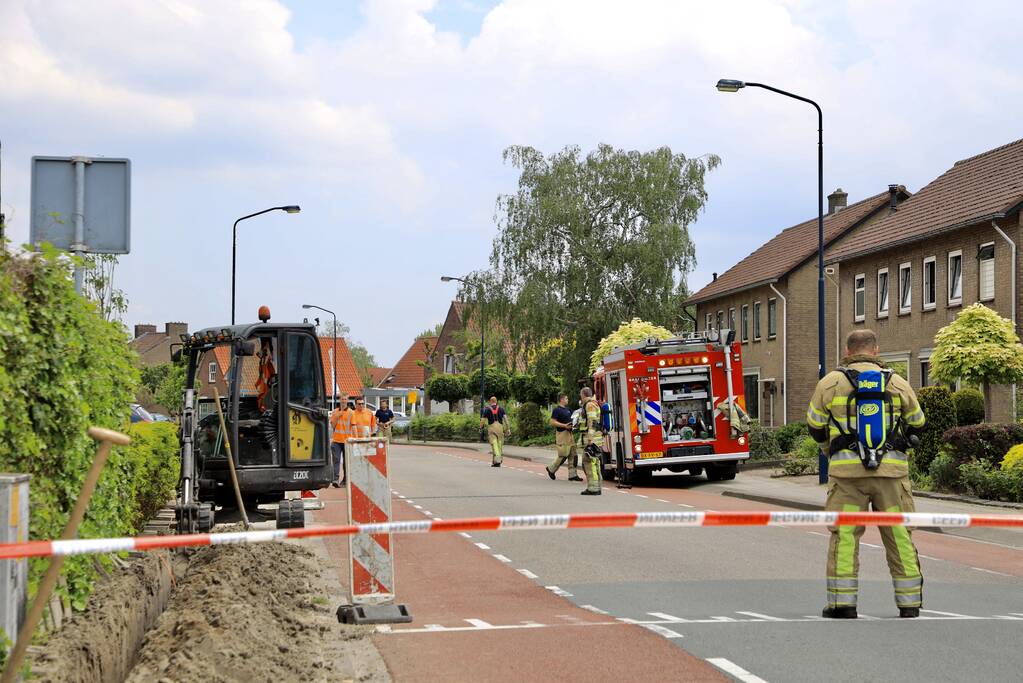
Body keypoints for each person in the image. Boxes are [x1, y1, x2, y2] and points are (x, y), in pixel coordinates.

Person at [806, 329, 926, 619]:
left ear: (847, 352)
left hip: (847, 478)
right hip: (892, 477)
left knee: (845, 537)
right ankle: (909, 603)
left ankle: (843, 604)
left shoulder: (830, 383)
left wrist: (830, 450)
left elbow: (814, 425)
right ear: (875, 351)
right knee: (899, 535)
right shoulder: (897, 382)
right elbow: (918, 423)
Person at [546, 393, 583, 482]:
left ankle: (572, 475)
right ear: (561, 399)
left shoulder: (568, 409)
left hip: (570, 434)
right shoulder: (556, 410)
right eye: (566, 398)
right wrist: (564, 426)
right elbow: (552, 422)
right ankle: (551, 469)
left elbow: (574, 418)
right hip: (562, 434)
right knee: (563, 454)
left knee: (573, 455)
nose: (568, 400)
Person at [577, 387, 603, 495]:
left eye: (581, 395)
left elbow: (592, 422)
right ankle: (597, 486)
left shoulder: (589, 405)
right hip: (595, 438)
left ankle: (593, 488)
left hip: (592, 439)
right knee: (594, 463)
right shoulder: (593, 403)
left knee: (588, 462)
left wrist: (590, 439)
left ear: (583, 395)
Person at [480, 396, 509, 467]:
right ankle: (496, 461)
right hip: (500, 428)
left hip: (492, 428)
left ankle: (497, 459)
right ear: (496, 401)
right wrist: (508, 429)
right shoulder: (501, 409)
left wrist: (480, 428)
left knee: (494, 444)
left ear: (490, 402)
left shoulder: (487, 409)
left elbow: (483, 420)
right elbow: (506, 419)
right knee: (499, 444)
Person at [328, 400, 350, 488]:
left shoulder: (351, 412)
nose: (343, 402)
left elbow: (354, 426)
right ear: (340, 401)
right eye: (342, 400)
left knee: (346, 462)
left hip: (347, 441)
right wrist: (337, 416)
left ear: (347, 401)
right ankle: (335, 480)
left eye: (345, 400)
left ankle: (345, 480)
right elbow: (333, 425)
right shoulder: (335, 412)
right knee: (336, 461)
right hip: (336, 440)